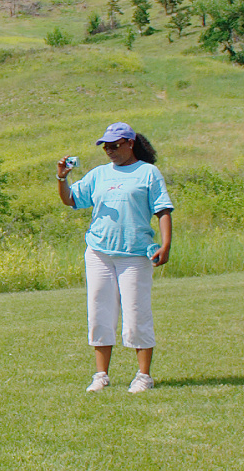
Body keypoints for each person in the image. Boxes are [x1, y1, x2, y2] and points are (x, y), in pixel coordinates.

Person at [58, 122, 174, 394]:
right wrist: (62, 178)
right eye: (105, 146)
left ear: (130, 143)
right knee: (99, 311)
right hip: (99, 252)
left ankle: (143, 376)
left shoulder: (148, 173)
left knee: (136, 312)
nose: (109, 151)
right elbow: (71, 200)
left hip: (134, 254)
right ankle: (101, 375)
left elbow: (163, 209)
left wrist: (166, 244)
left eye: (114, 145)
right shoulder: (99, 175)